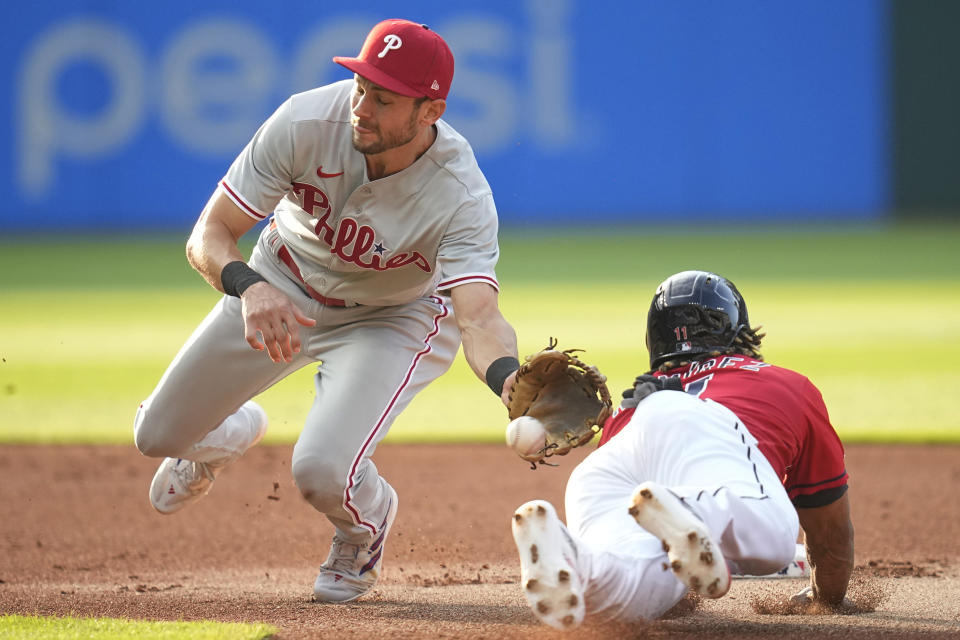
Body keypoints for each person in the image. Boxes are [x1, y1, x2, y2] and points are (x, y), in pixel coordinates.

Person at [133, 18, 523, 604]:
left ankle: (361, 529)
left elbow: (478, 317)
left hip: (390, 315)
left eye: (383, 98)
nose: (361, 107)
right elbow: (209, 235)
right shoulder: (306, 120)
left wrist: (509, 383)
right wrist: (248, 286)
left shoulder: (460, 193)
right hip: (278, 281)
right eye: (361, 86)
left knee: (320, 472)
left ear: (429, 111)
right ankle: (223, 435)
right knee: (155, 434)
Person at [509, 270, 855, 629]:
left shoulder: (629, 407)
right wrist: (826, 598)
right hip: (689, 426)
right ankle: (693, 504)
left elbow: (671, 588)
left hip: (600, 473)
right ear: (736, 328)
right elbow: (830, 533)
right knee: (774, 542)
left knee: (625, 585)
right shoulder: (786, 385)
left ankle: (579, 559)